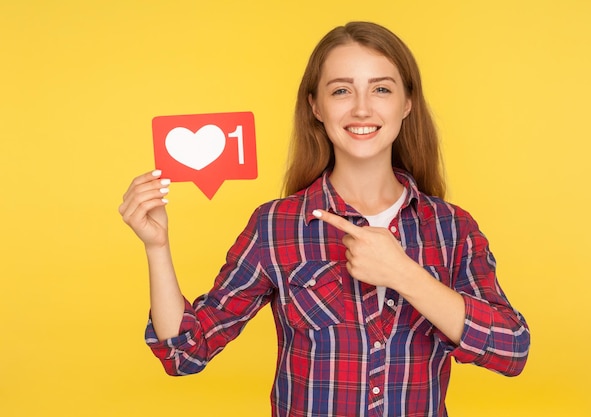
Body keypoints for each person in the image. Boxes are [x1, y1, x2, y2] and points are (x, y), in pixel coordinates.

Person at [119, 21, 530, 417]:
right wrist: (157, 246)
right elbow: (185, 352)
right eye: (341, 91)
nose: (362, 108)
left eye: (381, 89)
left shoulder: (451, 229)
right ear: (315, 105)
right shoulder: (275, 227)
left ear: (407, 102)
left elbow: (512, 350)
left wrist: (404, 274)